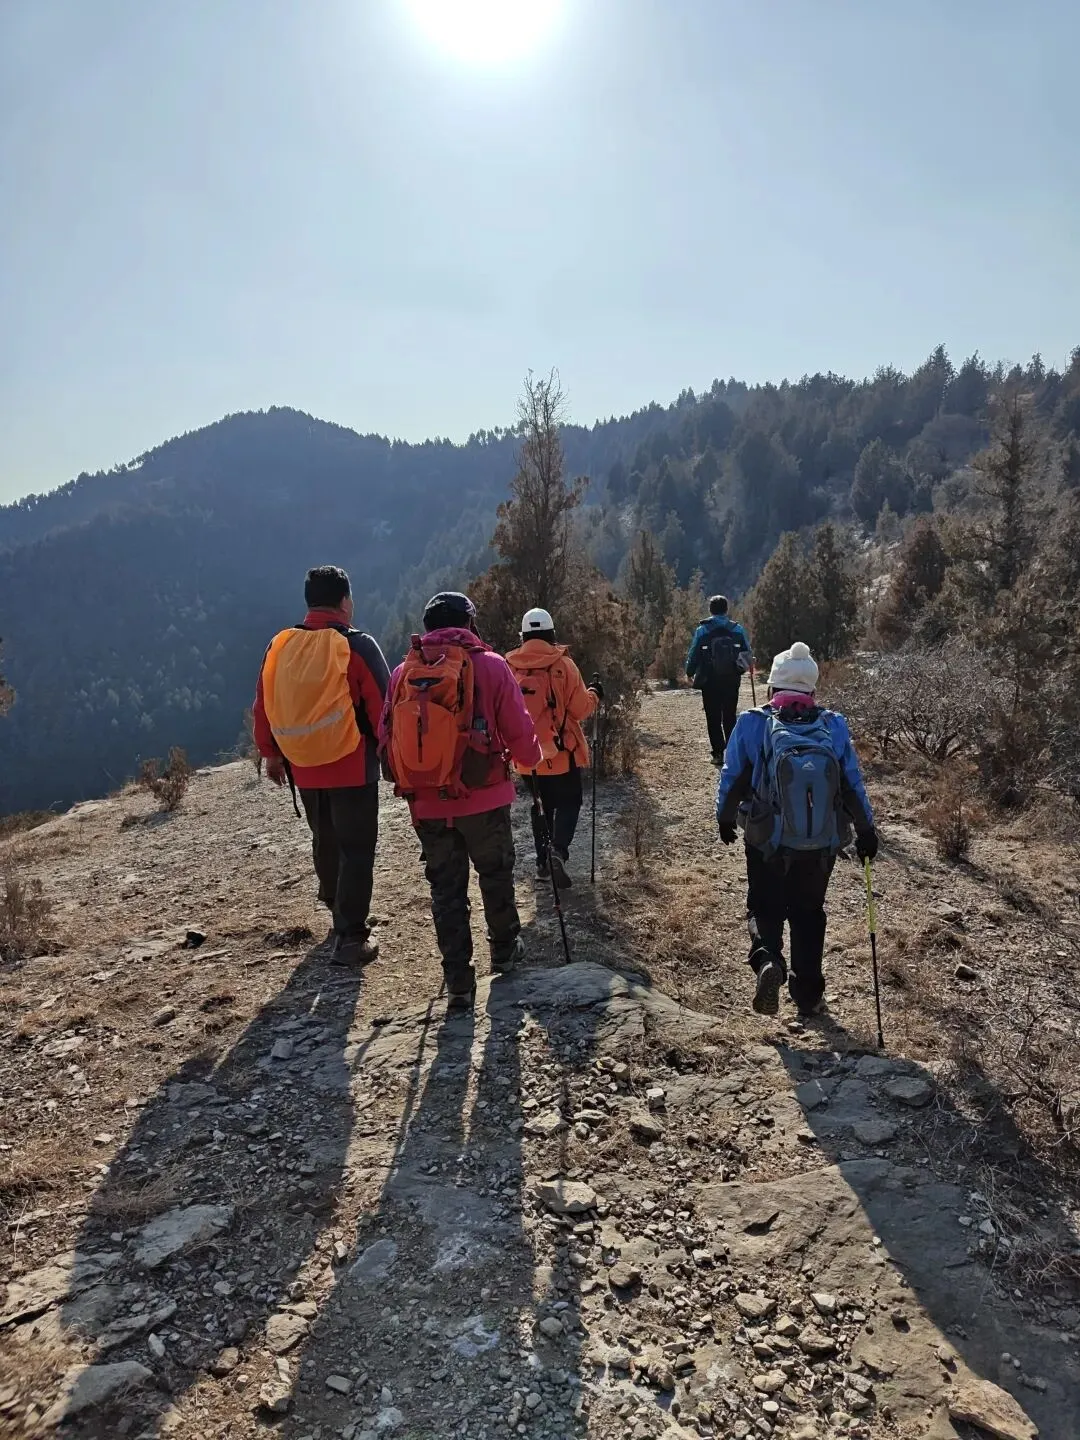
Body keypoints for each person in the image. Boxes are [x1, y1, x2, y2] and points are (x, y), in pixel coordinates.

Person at [379, 592, 542, 1010]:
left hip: (427, 802)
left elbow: (386, 736)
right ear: (469, 624)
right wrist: (532, 759)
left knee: (446, 889)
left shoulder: (402, 673)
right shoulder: (492, 665)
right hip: (484, 796)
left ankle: (458, 981)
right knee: (495, 873)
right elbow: (519, 730)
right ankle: (504, 951)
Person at [715, 641, 878, 1018]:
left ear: (772, 685)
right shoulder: (833, 724)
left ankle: (768, 959)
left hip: (767, 839)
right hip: (820, 841)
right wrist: (866, 830)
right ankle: (807, 995)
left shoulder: (753, 722)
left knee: (764, 905)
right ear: (812, 689)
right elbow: (851, 782)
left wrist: (725, 818)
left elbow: (733, 776)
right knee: (809, 912)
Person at [253, 565, 390, 967]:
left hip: (303, 764)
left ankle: (337, 911)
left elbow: (263, 702)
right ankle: (350, 937)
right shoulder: (357, 646)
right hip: (351, 764)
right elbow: (384, 708)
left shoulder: (280, 645)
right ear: (345, 601)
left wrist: (271, 753)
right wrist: (392, 755)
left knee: (325, 840)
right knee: (356, 848)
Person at [505, 608, 603, 889]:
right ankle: (558, 851)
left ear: (523, 635)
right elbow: (580, 709)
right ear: (551, 633)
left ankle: (542, 864)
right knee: (570, 801)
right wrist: (594, 694)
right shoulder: (563, 665)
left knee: (540, 806)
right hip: (560, 752)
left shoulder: (509, 665)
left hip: (527, 756)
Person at [686, 595, 753, 765]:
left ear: (710, 610)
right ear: (726, 610)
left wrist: (689, 672)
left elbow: (694, 653)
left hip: (709, 679)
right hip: (732, 679)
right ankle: (732, 753)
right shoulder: (737, 629)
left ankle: (718, 754)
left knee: (713, 716)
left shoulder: (703, 630)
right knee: (730, 715)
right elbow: (747, 653)